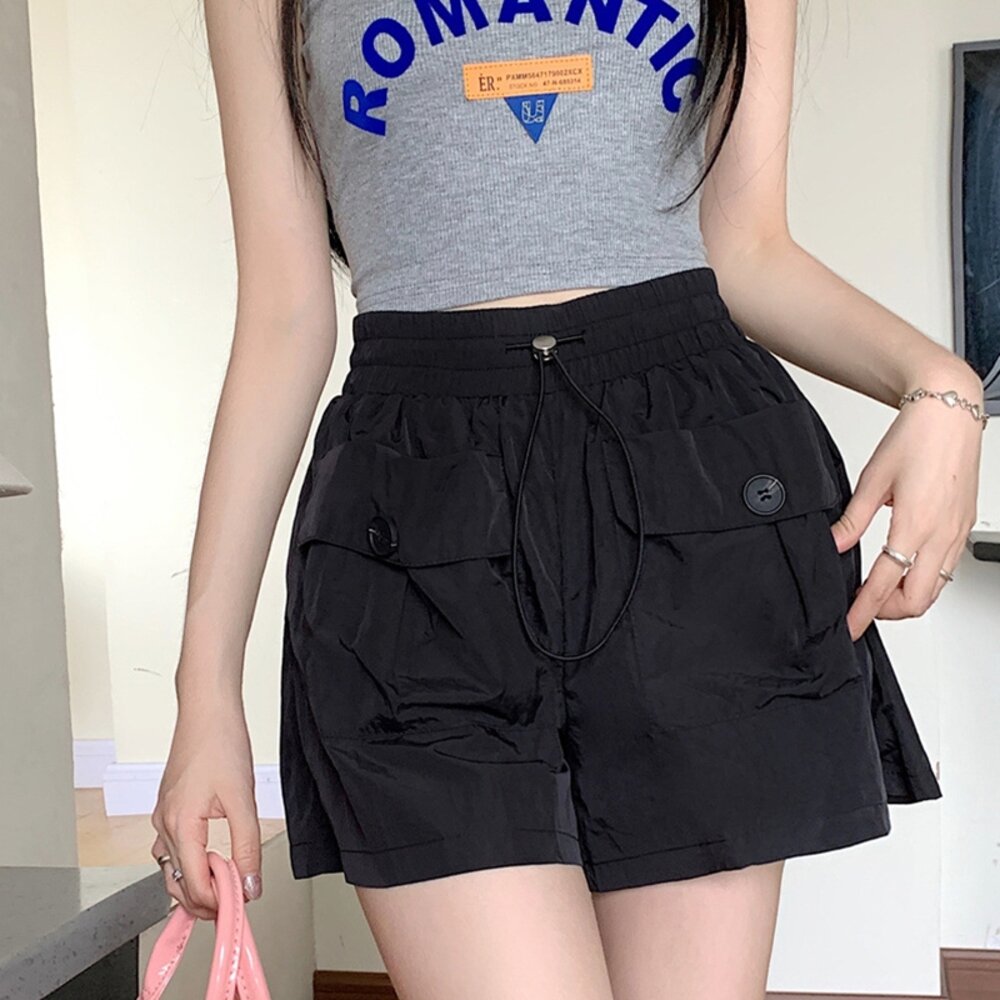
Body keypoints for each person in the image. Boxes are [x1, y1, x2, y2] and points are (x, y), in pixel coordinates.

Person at [150, 0, 987, 996]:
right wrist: (204, 693)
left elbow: (747, 249)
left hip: (693, 498)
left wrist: (943, 384)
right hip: (415, 519)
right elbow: (285, 318)